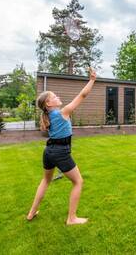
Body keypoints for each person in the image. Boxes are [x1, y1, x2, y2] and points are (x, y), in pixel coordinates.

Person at [27, 68, 97, 225]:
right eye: (54, 96)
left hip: (49, 152)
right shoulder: (62, 113)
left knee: (45, 181)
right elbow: (82, 95)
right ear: (48, 103)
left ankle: (31, 213)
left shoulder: (49, 116)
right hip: (60, 152)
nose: (58, 97)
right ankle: (71, 218)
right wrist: (92, 80)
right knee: (78, 182)